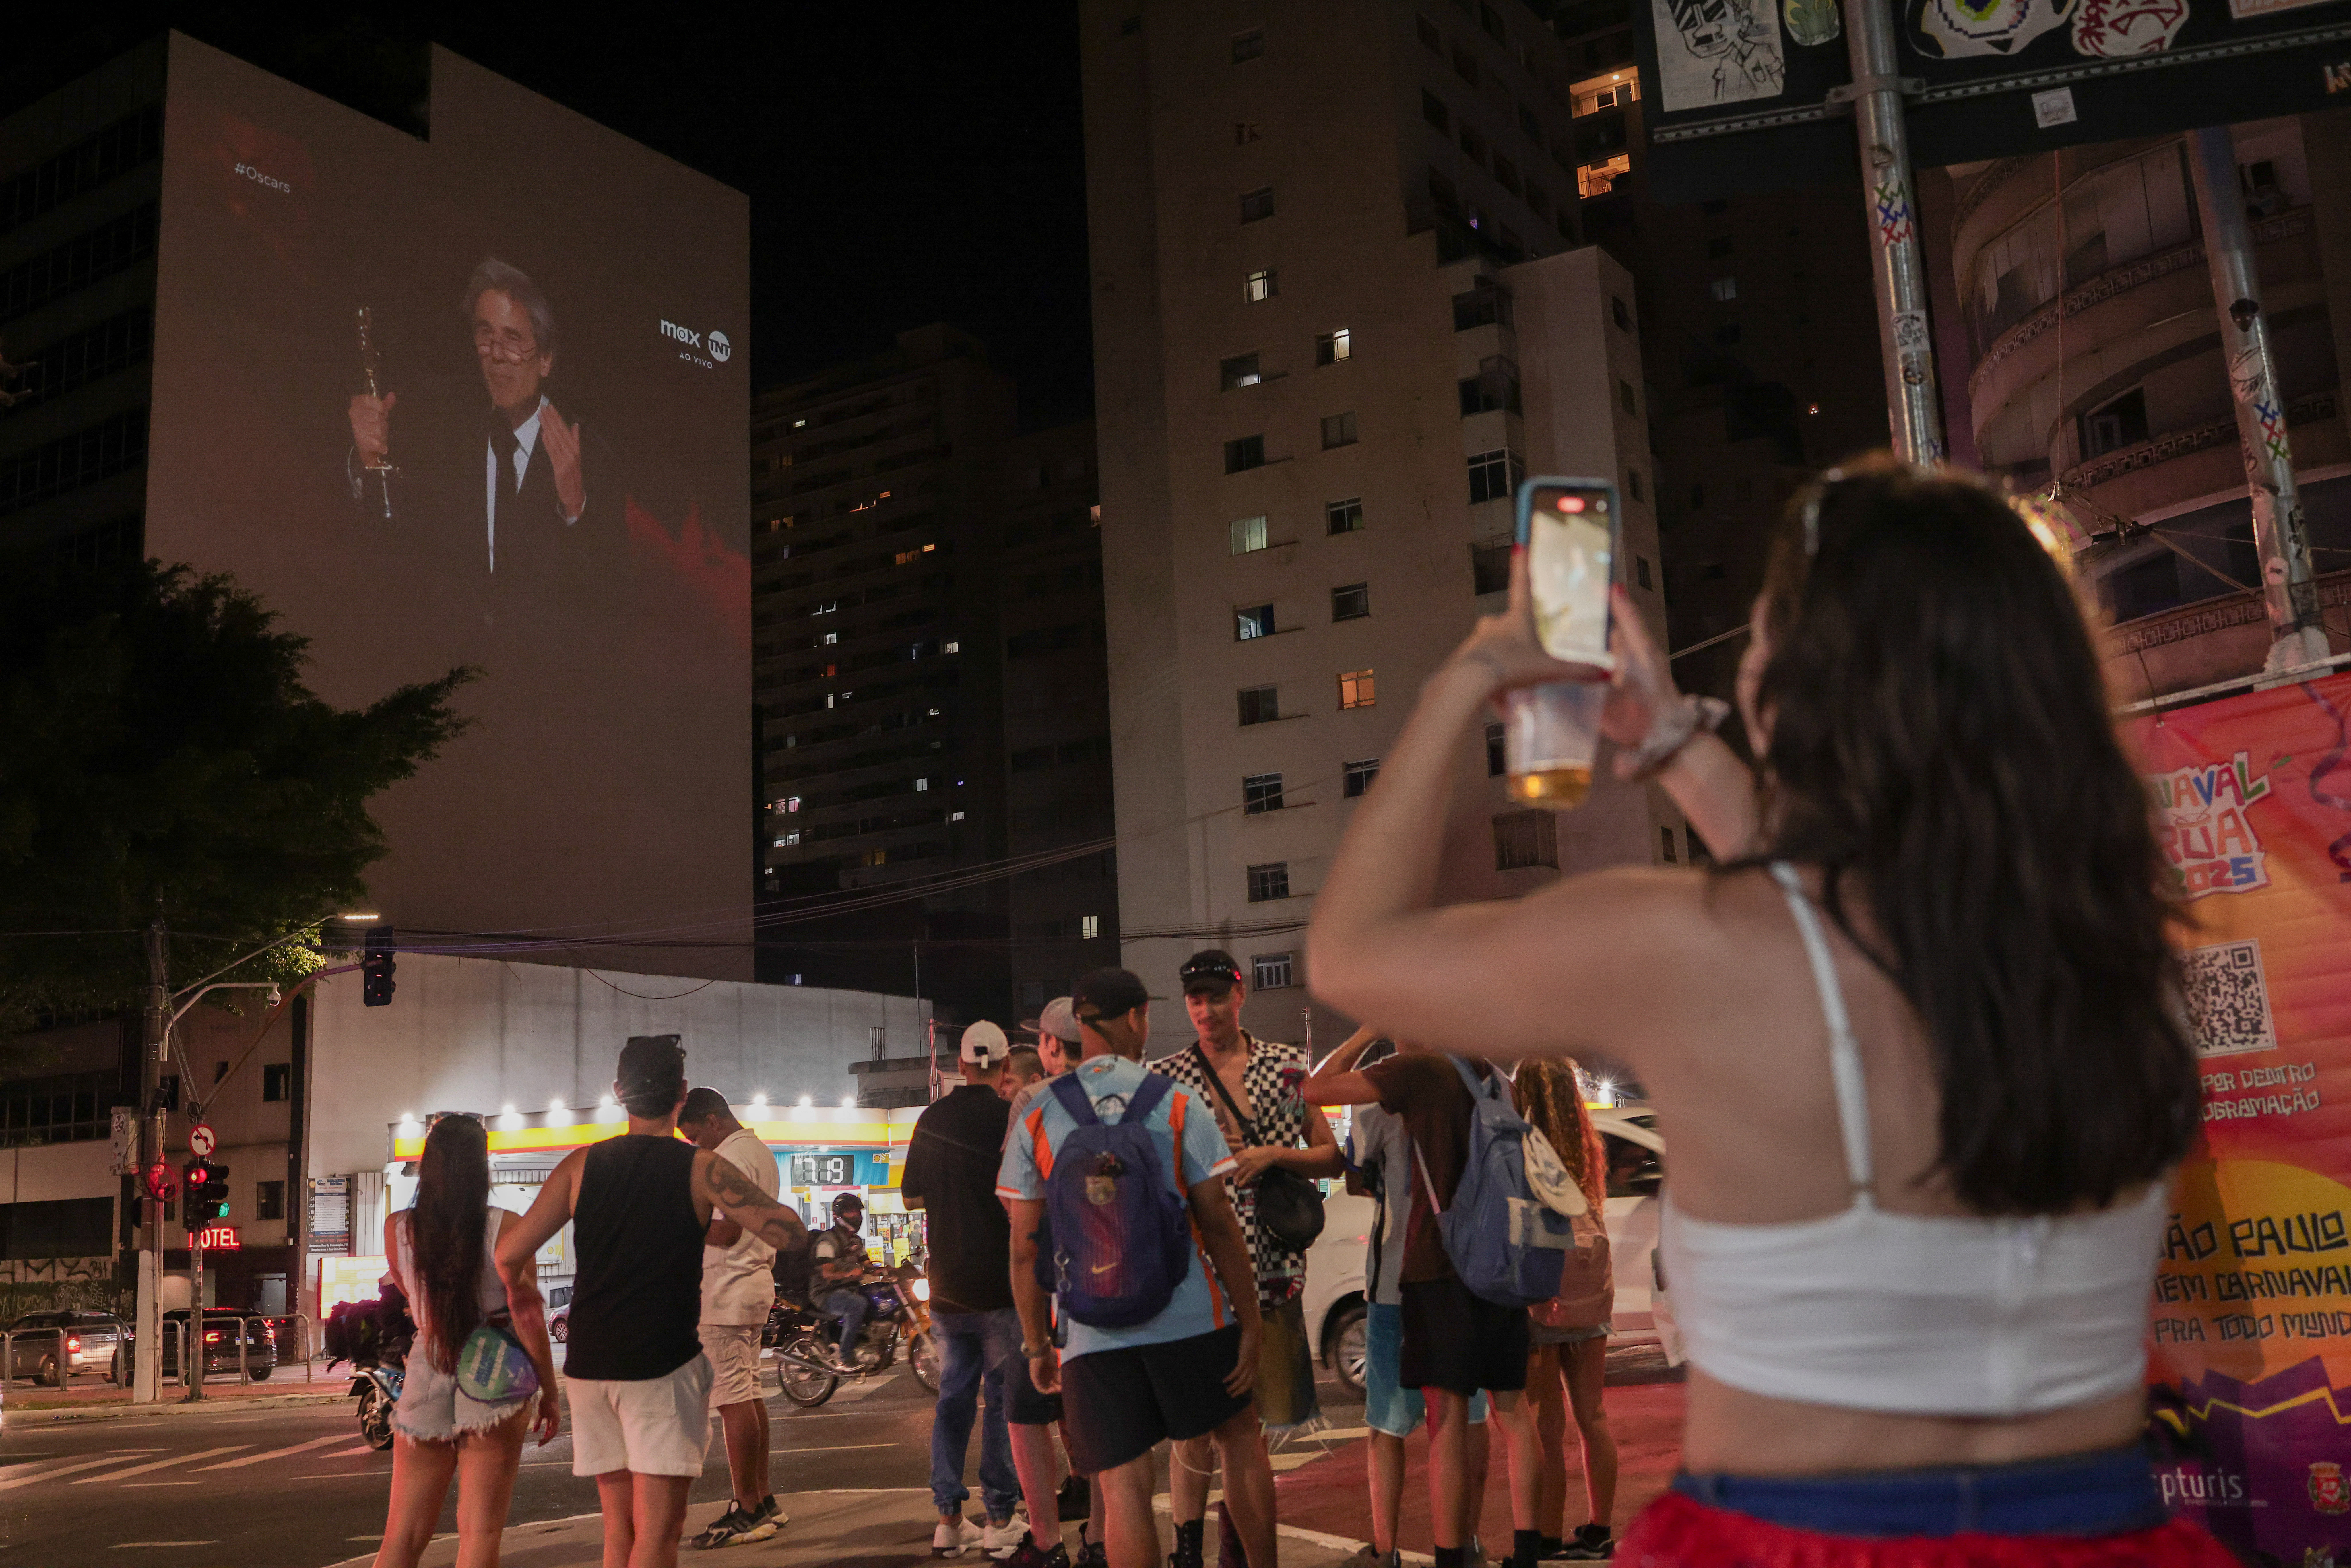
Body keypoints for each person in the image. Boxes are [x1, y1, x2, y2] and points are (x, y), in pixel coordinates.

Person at [1305, 459, 2231, 1566]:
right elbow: (1847, 921)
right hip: (2101, 1532)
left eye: (1753, 637)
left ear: (1788, 690)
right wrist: (1671, 744)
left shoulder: (1691, 948)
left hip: (1802, 1539)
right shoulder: (2124, 956)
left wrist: (1469, 674)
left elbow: (1350, 949)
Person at [497, 1035, 812, 1568]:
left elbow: (508, 1255)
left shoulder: (579, 1166)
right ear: (681, 1094)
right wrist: (729, 1218)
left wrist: (523, 1296)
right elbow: (790, 1232)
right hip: (662, 1365)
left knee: (619, 1531)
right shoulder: (703, 1168)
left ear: (619, 1092)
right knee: (658, 1537)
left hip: (590, 1366)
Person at [1000, 969, 1276, 1568]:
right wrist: (1249, 1318)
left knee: (1124, 1486)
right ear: (1135, 1018)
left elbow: (1024, 1246)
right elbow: (1220, 1221)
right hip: (1192, 1319)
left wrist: (1035, 1344)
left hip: (1091, 1333)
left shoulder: (1040, 1112)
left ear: (1079, 1023)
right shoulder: (1176, 1101)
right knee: (1237, 1439)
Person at [1301, 1040, 1543, 1568]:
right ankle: (1524, 1549)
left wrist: (1366, 1028)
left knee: (1446, 1418)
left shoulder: (1416, 1070)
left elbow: (1315, 1088)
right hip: (1501, 1265)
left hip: (1438, 1267)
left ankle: (1444, 1554)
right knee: (1512, 1412)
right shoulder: (1498, 1076)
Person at [1157, 949, 1341, 1568]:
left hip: (1274, 1268)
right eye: (1194, 998)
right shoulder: (1167, 1076)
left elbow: (1331, 1153)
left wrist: (1270, 1154)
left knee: (1255, 1423)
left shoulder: (1286, 1067)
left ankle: (1239, 1542)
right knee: (1195, 1426)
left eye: (1214, 995)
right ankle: (1188, 1550)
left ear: (1240, 995)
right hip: (1197, 1277)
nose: (1204, 1009)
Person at [346, 257, 609, 584]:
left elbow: (614, 598)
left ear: (545, 360)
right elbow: (394, 549)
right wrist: (368, 461)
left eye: (513, 339)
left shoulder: (589, 452)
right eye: (486, 336)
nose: (496, 354)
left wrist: (574, 509)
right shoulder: (446, 428)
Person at [1332, 1032, 1491, 1568]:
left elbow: (1354, 1174)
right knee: (1467, 1419)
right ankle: (1465, 1542)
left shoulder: (1386, 1088)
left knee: (1387, 1424)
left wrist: (1361, 1034)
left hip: (1398, 1279)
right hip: (1471, 1274)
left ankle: (1385, 1549)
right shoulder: (1481, 1075)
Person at [374, 1113, 559, 1568]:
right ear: (483, 1165)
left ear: (428, 1163)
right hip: (497, 1363)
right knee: (480, 1532)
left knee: (403, 1536)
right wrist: (550, 1392)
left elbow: (405, 1288)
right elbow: (529, 1314)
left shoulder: (398, 1228)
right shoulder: (508, 1227)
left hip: (429, 1358)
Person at [901, 1020, 1024, 1559]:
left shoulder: (932, 1117)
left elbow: (910, 1196)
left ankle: (949, 1517)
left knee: (953, 1398)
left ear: (960, 1064)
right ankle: (1000, 1516)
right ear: (1002, 1065)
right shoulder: (1010, 1116)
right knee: (1001, 1400)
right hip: (1001, 1283)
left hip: (948, 1285)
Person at [1002, 998, 1104, 1568]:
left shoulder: (1032, 1101)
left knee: (1025, 1409)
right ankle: (1103, 1539)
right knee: (1105, 1414)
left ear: (1048, 1045)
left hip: (1052, 1282)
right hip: (1117, 1281)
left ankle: (1046, 1541)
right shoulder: (1130, 1095)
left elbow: (1019, 1215)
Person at [1512, 1061, 1617, 1562]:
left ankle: (1549, 1537)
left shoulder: (1520, 1144)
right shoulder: (1585, 1144)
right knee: (1592, 1414)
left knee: (1543, 1424)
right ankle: (1599, 1530)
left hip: (1541, 1294)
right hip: (1590, 1291)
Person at [676, 1087, 783, 1550]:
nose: (696, 1145)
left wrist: (679, 1221)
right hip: (752, 1282)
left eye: (696, 1134)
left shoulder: (729, 1157)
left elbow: (727, 1228)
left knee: (733, 1398)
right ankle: (762, 1499)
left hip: (726, 1289)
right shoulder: (758, 1150)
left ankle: (747, 1507)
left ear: (714, 1121)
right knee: (750, 1393)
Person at [810, 1191, 874, 1374]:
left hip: (849, 1290)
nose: (857, 1217)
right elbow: (827, 1273)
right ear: (838, 1216)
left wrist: (892, 1271)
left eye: (858, 1212)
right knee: (857, 1304)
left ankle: (872, 1346)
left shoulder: (856, 1241)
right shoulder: (828, 1241)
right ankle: (845, 1357)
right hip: (826, 1294)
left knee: (879, 1296)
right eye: (851, 1213)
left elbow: (868, 1266)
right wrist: (849, 1273)